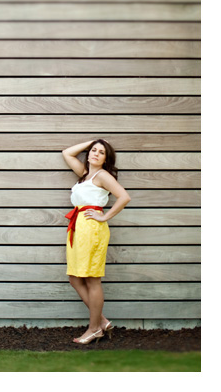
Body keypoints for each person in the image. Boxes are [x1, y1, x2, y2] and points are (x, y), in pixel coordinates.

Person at [62, 138, 131, 345]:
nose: (96, 153)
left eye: (101, 152)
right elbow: (67, 153)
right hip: (77, 227)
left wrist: (104, 217)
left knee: (92, 279)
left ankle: (94, 329)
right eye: (94, 150)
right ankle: (101, 321)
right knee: (75, 278)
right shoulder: (85, 174)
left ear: (106, 159)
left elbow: (124, 197)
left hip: (92, 229)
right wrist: (93, 140)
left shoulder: (102, 175)